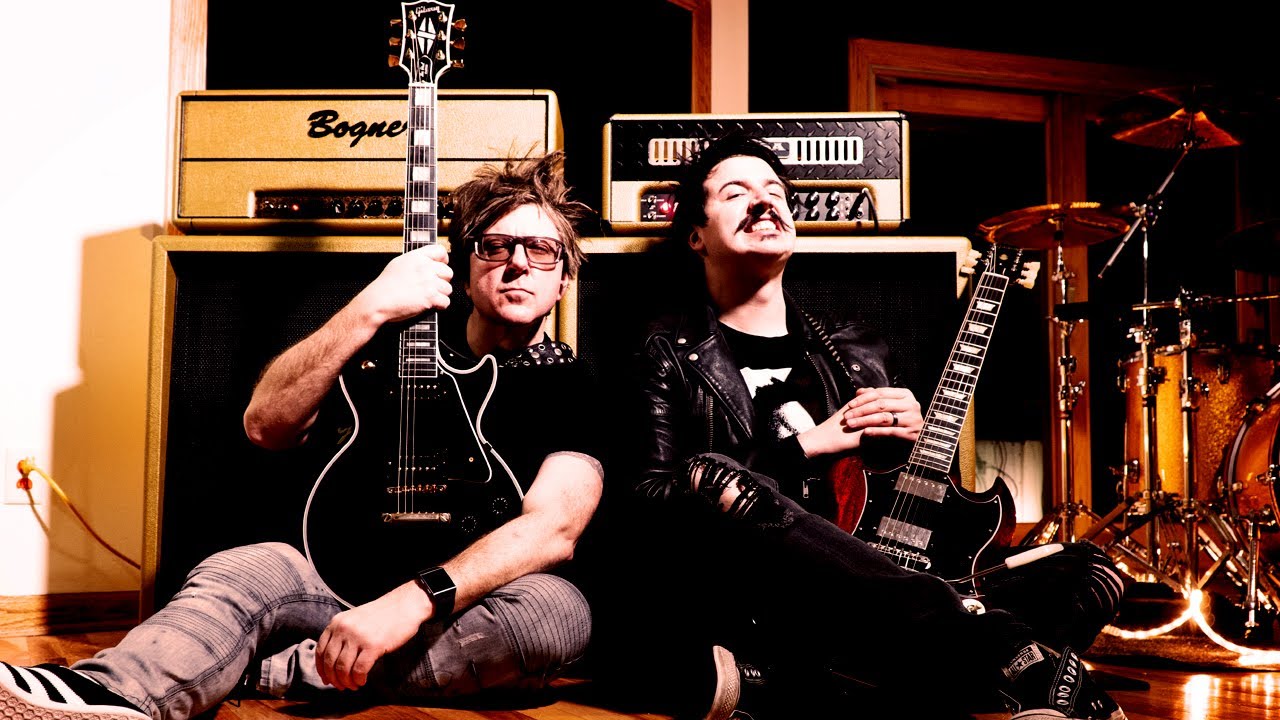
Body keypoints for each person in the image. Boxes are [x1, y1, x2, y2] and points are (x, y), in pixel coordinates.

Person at [0, 152, 605, 720]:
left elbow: (554, 528)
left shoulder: (577, 385)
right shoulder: (392, 347)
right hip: (330, 579)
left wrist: (409, 602)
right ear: (464, 270)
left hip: (462, 609)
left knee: (556, 615)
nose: (518, 263)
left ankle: (274, 671)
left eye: (542, 250)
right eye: (495, 246)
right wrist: (370, 307)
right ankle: (108, 694)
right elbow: (265, 425)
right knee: (247, 565)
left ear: (563, 280)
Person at [591, 134, 1127, 720]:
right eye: (735, 193)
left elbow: (894, 508)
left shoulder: (856, 350)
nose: (763, 201)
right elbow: (649, 500)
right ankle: (1000, 655)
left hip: (864, 588)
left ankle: (824, 683)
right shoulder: (665, 352)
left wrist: (919, 442)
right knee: (716, 478)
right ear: (696, 235)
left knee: (1089, 573)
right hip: (752, 590)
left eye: (774, 191)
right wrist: (806, 446)